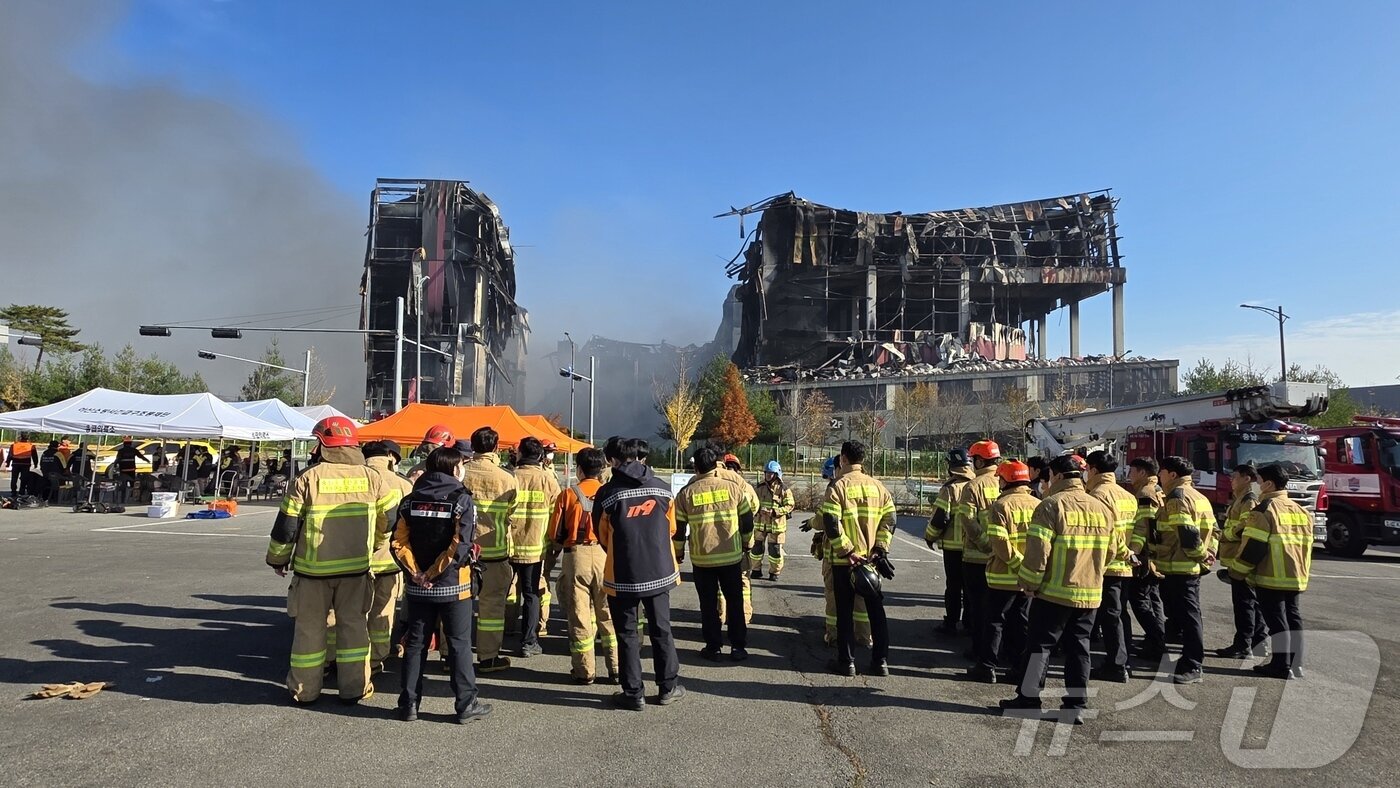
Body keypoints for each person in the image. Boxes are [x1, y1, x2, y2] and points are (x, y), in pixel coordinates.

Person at [265, 416, 401, 704]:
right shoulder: (372, 478)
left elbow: (286, 527)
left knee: (309, 632)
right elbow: (390, 519)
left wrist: (277, 559)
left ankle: (305, 690)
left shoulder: (307, 478)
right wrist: (376, 544)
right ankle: (354, 688)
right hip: (356, 571)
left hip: (313, 573)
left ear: (323, 444)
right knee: (354, 629)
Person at [1001, 455, 1125, 723]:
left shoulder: (1050, 506)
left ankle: (1029, 699)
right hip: (1090, 595)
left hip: (1054, 594)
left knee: (1040, 647)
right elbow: (1113, 551)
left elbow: (1038, 553)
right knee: (1080, 650)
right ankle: (1076, 705)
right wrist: (1093, 574)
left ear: (1056, 476)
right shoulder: (1102, 508)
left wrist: (1029, 584)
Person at [390, 445, 492, 724]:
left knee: (415, 644)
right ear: (454, 469)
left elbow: (398, 541)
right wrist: (434, 572)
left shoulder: (410, 500)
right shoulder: (461, 500)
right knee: (459, 644)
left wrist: (417, 573)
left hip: (417, 586)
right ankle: (465, 705)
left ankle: (409, 704)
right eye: (462, 465)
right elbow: (460, 546)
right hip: (453, 586)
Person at [595, 438, 684, 710]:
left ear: (612, 461)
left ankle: (633, 693)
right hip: (660, 571)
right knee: (662, 629)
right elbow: (672, 528)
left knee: (627, 634)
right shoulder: (662, 488)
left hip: (623, 574)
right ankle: (668, 687)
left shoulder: (607, 495)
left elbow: (602, 536)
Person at [1224, 462, 1312, 680]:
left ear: (1269, 484)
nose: (1257, 485)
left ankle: (1281, 665)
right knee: (1293, 618)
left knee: (1277, 621)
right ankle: (1296, 664)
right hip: (1296, 575)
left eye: (1260, 481)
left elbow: (1253, 547)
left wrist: (1237, 572)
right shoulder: (1301, 510)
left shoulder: (1264, 510)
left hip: (1271, 575)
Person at [821, 440, 897, 677]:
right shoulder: (879, 487)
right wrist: (880, 549)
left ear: (843, 458)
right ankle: (880, 662)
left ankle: (847, 662)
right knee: (877, 612)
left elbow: (831, 525)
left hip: (845, 562)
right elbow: (891, 520)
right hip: (870, 563)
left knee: (844, 613)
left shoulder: (837, 487)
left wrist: (847, 552)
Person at [674, 446, 756, 662]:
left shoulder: (686, 493)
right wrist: (747, 543)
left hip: (702, 560)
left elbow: (679, 528)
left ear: (697, 467)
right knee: (735, 602)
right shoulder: (734, 489)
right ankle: (738, 647)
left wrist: (678, 552)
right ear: (715, 464)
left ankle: (713, 647)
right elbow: (747, 520)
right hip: (731, 556)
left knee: (708, 605)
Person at [551, 447, 619, 684]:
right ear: (602, 469)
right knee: (608, 613)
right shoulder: (610, 493)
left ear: (579, 469)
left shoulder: (568, 495)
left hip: (576, 556)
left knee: (579, 615)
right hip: (603, 555)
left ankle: (584, 671)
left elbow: (556, 533)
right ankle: (616, 667)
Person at [1151, 455, 1215, 684]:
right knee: (1186, 616)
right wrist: (1208, 557)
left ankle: (1193, 664)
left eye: (1162, 472)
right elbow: (1214, 531)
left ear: (1172, 475)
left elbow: (1187, 534)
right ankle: (1189, 660)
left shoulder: (1177, 498)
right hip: (1187, 566)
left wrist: (1199, 556)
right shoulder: (1200, 497)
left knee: (1189, 617)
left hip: (1181, 567)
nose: (1159, 476)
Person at [461, 426, 518, 674]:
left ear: (473, 447)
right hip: (494, 554)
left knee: (456, 605)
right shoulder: (507, 478)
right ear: (496, 447)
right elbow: (510, 512)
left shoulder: (460, 473)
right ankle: (488, 658)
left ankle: (447, 655)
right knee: (492, 608)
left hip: (461, 553)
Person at [1084, 450, 1140, 683]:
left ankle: (1116, 665)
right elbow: (1138, 530)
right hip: (1125, 565)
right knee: (1118, 614)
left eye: (1087, 469)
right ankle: (1123, 660)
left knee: (1110, 616)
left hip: (1106, 565)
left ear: (1094, 469)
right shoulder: (1127, 495)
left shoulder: (1097, 495)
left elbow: (1105, 533)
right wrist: (1132, 554)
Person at [979, 460, 1037, 685]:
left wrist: (1016, 563)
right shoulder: (1038, 504)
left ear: (1005, 480)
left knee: (994, 622)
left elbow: (999, 542)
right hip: (1028, 578)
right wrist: (1028, 569)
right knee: (1021, 622)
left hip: (1002, 575)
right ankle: (1017, 668)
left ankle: (987, 667)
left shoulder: (1000, 506)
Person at [809, 457, 872, 647]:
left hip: (839, 555)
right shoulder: (872, 485)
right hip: (865, 555)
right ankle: (863, 636)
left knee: (834, 597)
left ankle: (835, 635)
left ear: (839, 466)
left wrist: (812, 523)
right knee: (861, 598)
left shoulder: (836, 487)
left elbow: (825, 520)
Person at [507, 437, 561, 658]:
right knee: (531, 594)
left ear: (519, 454)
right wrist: (555, 545)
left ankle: (502, 630)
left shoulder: (509, 477)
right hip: (536, 548)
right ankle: (529, 641)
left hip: (507, 546)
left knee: (506, 591)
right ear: (540, 456)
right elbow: (557, 516)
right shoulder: (548, 480)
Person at [363, 440, 414, 673]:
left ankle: (339, 658)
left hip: (355, 562)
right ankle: (376, 659)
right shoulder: (403, 484)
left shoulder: (354, 478)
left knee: (350, 614)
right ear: (391, 457)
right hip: (390, 560)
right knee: (382, 613)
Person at [1214, 463, 1269, 659]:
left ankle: (1243, 644)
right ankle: (1257, 643)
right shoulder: (1242, 498)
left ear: (1247, 478)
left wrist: (1225, 535)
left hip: (1243, 561)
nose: (1231, 480)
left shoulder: (1249, 499)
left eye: (1235, 477)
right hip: (1237, 560)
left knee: (1245, 604)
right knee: (1251, 603)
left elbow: (1246, 524)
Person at [958, 440, 1004, 673]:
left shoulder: (973, 486)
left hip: (976, 558)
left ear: (979, 461)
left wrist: (986, 545)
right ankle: (999, 651)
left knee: (977, 608)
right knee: (998, 610)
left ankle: (979, 650)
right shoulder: (1006, 482)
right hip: (1004, 559)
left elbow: (967, 520)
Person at [924, 448, 974, 635]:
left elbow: (940, 518)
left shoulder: (951, 488)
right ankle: (970, 623)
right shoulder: (979, 485)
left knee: (953, 586)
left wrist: (930, 537)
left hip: (953, 548)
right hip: (975, 547)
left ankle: (951, 622)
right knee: (971, 588)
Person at [1125, 457, 1168, 661]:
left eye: (1132, 471)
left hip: (1145, 554)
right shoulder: (1158, 489)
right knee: (1153, 599)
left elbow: (1144, 527)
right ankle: (1157, 638)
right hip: (1156, 553)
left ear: (1142, 472)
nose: (1129, 475)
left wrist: (1134, 553)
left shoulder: (1144, 493)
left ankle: (1156, 640)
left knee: (1140, 600)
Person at [718, 452, 758, 625]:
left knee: (721, 584)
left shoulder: (719, 485)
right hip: (741, 542)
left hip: (721, 543)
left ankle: (721, 615)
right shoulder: (746, 487)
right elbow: (754, 508)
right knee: (743, 581)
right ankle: (745, 616)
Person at [750, 460, 795, 581]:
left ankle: (774, 572)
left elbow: (790, 505)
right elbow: (752, 502)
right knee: (756, 549)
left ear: (776, 474)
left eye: (771, 473)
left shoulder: (783, 489)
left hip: (776, 526)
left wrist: (775, 512)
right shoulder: (759, 488)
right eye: (767, 473)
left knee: (774, 551)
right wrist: (759, 510)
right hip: (760, 524)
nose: (768, 475)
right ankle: (755, 570)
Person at [112, 437, 149, 505]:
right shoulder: (133, 450)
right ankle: (130, 496)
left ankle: (123, 499)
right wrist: (147, 460)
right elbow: (140, 456)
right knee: (132, 484)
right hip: (131, 470)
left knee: (123, 485)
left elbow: (118, 459)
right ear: (130, 444)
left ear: (124, 444)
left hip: (123, 470)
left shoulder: (121, 451)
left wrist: (114, 465)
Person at [5, 432, 39, 498]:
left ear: (20, 437)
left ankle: (13, 492)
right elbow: (35, 456)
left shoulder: (14, 445)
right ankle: (22, 491)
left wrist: (8, 463)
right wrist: (35, 464)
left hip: (15, 464)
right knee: (24, 479)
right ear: (27, 438)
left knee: (14, 478)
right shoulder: (31, 445)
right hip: (25, 464)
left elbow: (10, 455)